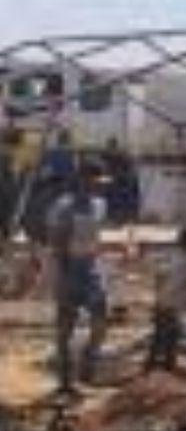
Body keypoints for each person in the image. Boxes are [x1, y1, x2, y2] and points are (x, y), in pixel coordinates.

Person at [47, 168, 109, 394]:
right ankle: (65, 380)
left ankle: (87, 365)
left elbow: (96, 237)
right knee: (65, 328)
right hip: (69, 269)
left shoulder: (100, 205)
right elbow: (56, 240)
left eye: (99, 181)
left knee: (100, 322)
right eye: (94, 180)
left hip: (92, 269)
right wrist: (62, 274)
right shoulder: (63, 206)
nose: (98, 185)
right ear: (82, 180)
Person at [147, 228, 186, 372]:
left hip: (163, 301)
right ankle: (166, 367)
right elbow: (182, 287)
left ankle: (151, 366)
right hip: (173, 304)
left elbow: (158, 277)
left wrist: (158, 296)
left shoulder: (170, 256)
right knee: (170, 337)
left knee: (159, 336)